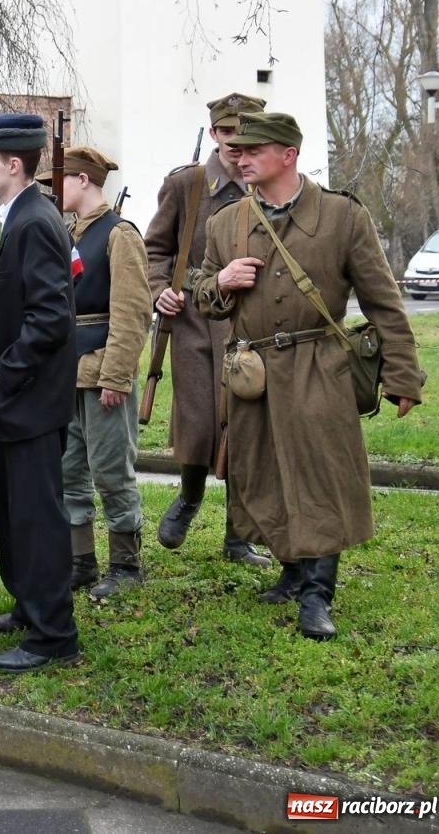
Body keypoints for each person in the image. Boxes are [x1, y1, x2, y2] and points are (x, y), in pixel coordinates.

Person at [192, 111, 423, 640]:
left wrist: (403, 376)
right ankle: (292, 571)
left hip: (320, 367)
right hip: (254, 373)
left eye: (253, 150)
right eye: (237, 150)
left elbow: (384, 302)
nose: (239, 157)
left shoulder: (343, 217)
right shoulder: (226, 222)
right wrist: (222, 282)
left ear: (288, 154)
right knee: (264, 473)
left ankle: (318, 592)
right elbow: (205, 297)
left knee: (321, 475)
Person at [0, 113, 80, 672]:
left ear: (14, 164)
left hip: (30, 399)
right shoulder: (25, 217)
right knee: (14, 511)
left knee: (37, 517)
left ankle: (53, 632)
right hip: (22, 401)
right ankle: (31, 605)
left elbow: (51, 317)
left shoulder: (34, 221)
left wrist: (3, 374)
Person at [145, 93, 271, 566]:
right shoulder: (187, 185)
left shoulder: (270, 185)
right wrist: (160, 289)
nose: (236, 145)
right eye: (227, 134)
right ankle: (190, 496)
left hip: (252, 324)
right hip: (196, 321)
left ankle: (238, 536)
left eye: (245, 135)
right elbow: (155, 249)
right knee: (197, 421)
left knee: (246, 425)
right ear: (214, 133)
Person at [37, 146, 151, 598]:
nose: (54, 191)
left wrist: (116, 376)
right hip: (69, 373)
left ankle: (126, 564)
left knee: (111, 471)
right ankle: (80, 561)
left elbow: (131, 312)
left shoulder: (118, 234)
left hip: (103, 370)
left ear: (83, 180)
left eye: (61, 181)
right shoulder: (69, 233)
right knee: (69, 472)